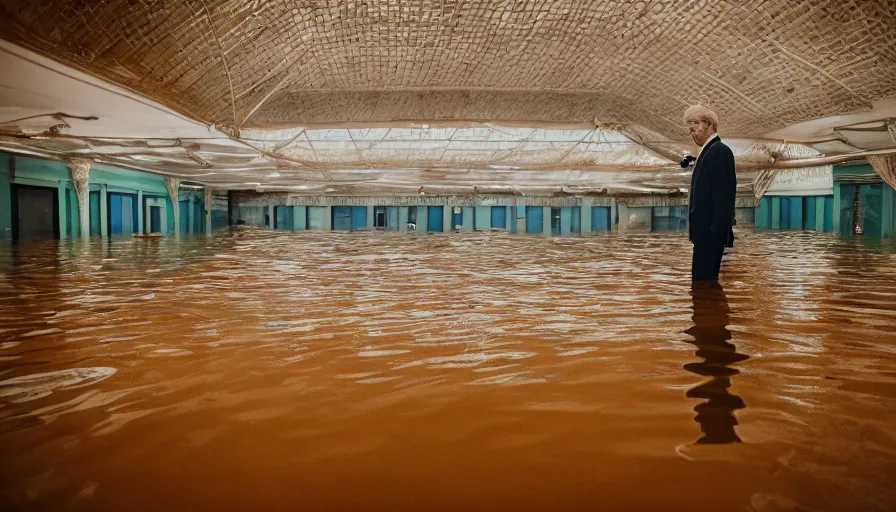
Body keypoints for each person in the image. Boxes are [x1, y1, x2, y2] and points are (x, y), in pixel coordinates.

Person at [684, 105, 737, 282]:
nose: (692, 132)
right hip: (704, 235)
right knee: (703, 288)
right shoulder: (709, 152)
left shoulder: (719, 152)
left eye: (694, 126)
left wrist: (715, 236)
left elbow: (724, 197)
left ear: (709, 125)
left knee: (705, 284)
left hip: (709, 236)